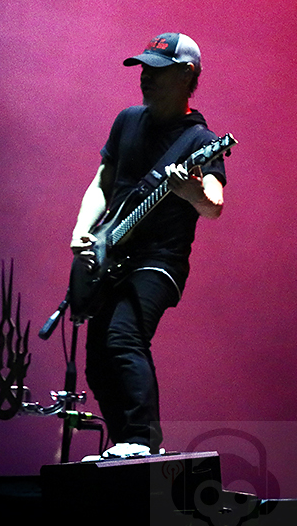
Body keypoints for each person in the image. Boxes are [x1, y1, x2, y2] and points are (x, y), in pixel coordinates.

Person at [70, 32, 226, 459]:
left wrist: (190, 190)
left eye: (158, 71)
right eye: (143, 68)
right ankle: (124, 448)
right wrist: (82, 229)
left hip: (160, 261)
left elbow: (214, 206)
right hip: (112, 252)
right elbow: (103, 181)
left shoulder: (201, 142)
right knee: (97, 360)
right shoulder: (127, 120)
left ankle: (142, 438)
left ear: (187, 74)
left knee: (124, 336)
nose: (145, 78)